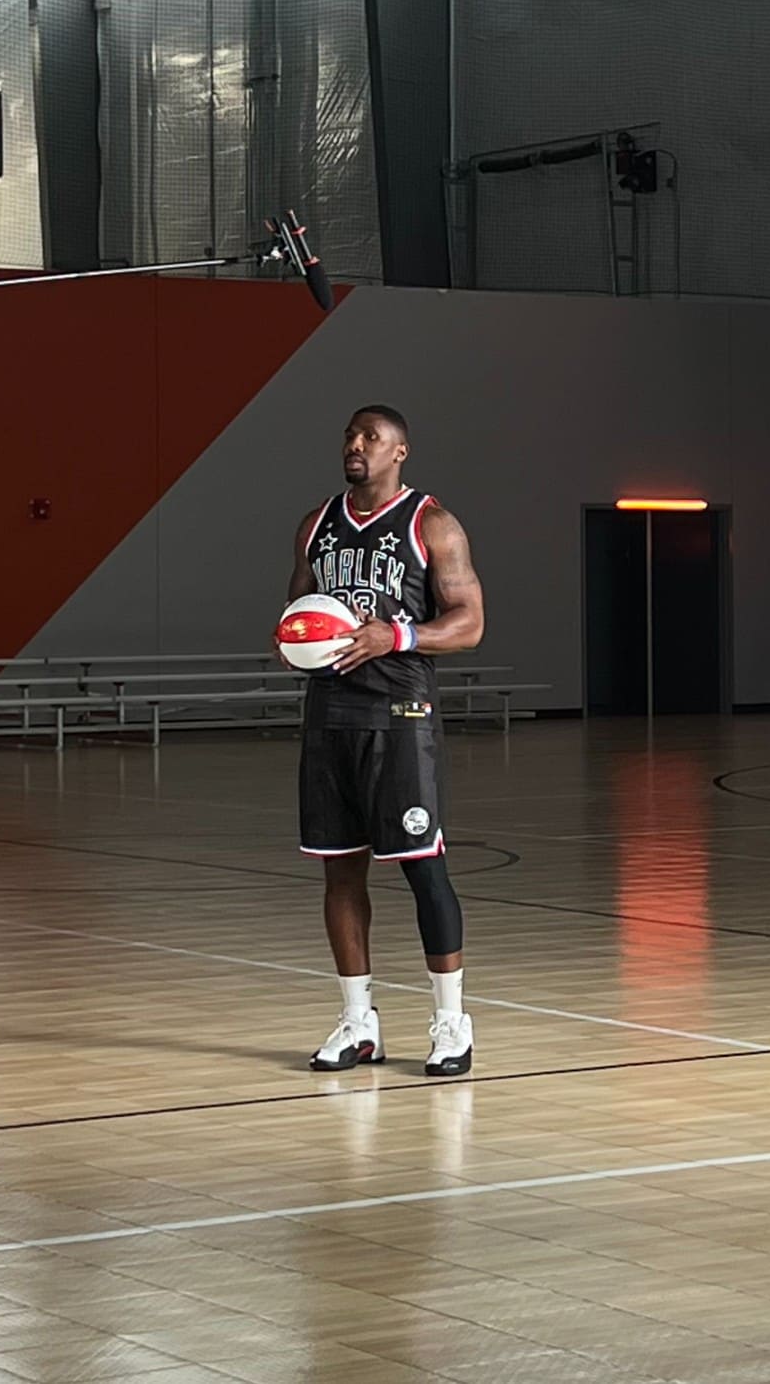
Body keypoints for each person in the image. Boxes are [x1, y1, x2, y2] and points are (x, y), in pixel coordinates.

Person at [282, 403, 484, 1077]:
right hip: (331, 714)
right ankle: (358, 1021)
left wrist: (392, 634)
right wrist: (297, 643)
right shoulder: (318, 523)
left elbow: (470, 624)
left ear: (401, 452)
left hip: (401, 714)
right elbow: (294, 615)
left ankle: (451, 1022)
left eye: (372, 437)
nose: (356, 444)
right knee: (340, 869)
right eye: (350, 435)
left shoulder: (432, 523)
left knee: (424, 868)